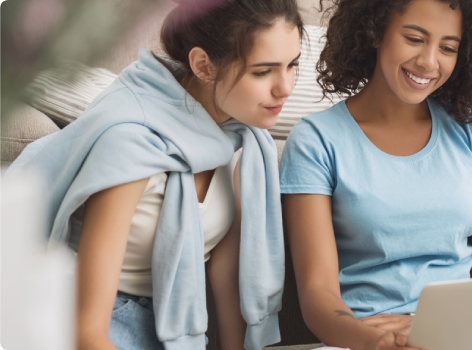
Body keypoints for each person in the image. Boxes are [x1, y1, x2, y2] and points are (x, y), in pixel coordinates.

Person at [7, 0, 303, 349]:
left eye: (292, 65)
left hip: (173, 323)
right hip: (90, 317)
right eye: (263, 71)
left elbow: (226, 273)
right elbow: (87, 332)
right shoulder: (131, 143)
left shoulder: (242, 139)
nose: (285, 87)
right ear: (203, 65)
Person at [279, 0, 472, 349]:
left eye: (447, 47)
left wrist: (434, 327)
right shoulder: (316, 140)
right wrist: (379, 341)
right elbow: (317, 294)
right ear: (374, 31)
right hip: (361, 337)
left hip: (460, 333)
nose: (429, 61)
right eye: (414, 38)